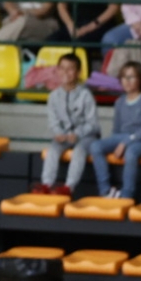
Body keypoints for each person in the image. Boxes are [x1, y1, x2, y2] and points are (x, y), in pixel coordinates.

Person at [87, 61, 141, 201]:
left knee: (131, 153)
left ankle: (127, 195)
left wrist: (125, 142)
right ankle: (105, 190)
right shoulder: (119, 101)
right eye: (124, 77)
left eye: (132, 77)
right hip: (123, 138)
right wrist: (116, 143)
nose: (127, 81)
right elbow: (116, 129)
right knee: (95, 146)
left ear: (140, 79)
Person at [35, 53, 99, 195]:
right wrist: (58, 133)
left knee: (79, 151)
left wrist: (77, 134)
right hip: (64, 136)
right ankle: (46, 184)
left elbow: (93, 123)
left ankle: (69, 187)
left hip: (86, 136)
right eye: (62, 68)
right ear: (57, 70)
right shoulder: (53, 96)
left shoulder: (85, 95)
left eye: (70, 69)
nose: (65, 72)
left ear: (78, 72)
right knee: (52, 150)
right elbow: (53, 120)